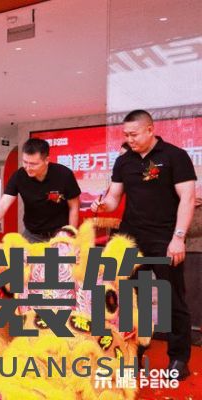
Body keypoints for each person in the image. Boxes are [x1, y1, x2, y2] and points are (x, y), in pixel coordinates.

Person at [91, 109, 196, 380]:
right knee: (131, 301)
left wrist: (178, 237)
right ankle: (132, 356)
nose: (130, 139)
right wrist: (102, 205)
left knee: (172, 298)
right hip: (131, 240)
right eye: (126, 135)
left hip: (165, 239)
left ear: (150, 130)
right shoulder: (123, 161)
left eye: (134, 134)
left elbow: (187, 198)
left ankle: (179, 359)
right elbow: (114, 198)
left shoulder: (174, 156)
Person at [0, 138, 81, 243]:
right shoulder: (19, 176)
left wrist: (70, 234)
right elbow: (3, 203)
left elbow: (74, 207)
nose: (28, 168)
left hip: (60, 234)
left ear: (46, 160)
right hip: (32, 234)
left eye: (33, 164)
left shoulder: (64, 175)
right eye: (25, 162)